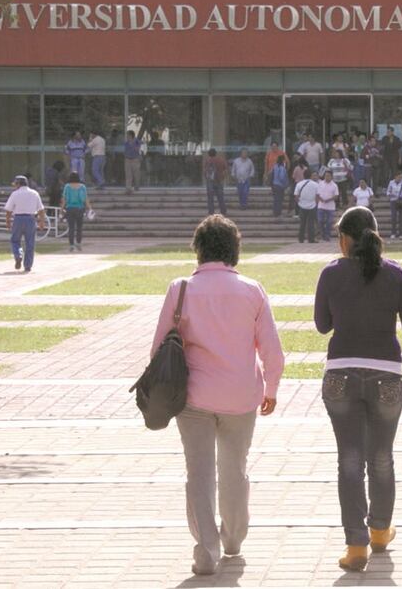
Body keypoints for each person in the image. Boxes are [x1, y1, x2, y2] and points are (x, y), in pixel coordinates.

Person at [152, 215, 284, 575]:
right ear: (234, 249)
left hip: (193, 396)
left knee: (198, 473)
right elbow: (272, 349)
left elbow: (158, 348)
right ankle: (234, 537)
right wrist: (270, 388)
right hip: (242, 395)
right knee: (234, 469)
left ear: (198, 249)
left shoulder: (180, 289)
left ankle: (206, 547)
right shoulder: (252, 290)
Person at [314, 206, 402, 572]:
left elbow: (323, 325)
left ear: (343, 239)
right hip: (387, 375)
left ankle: (356, 547)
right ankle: (380, 532)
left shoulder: (331, 274)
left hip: (340, 375)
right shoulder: (397, 275)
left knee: (349, 460)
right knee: (381, 458)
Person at [4, 175, 46, 273]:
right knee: (30, 243)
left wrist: (8, 221)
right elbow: (41, 210)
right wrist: (41, 222)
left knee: (15, 241)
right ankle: (27, 265)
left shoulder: (15, 194)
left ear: (18, 184)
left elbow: (8, 210)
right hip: (31, 219)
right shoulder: (34, 193)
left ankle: (18, 255)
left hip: (18, 218)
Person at [60, 172, 92, 252]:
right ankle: (78, 243)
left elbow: (64, 199)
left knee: (71, 228)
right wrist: (90, 208)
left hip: (70, 208)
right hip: (80, 208)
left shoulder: (67, 186)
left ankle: (71, 245)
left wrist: (61, 209)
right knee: (79, 227)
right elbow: (85, 199)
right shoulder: (82, 187)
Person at [295, 169, 320, 243]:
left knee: (302, 223)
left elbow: (296, 196)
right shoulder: (315, 184)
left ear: (303, 175)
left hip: (302, 205)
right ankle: (311, 239)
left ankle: (301, 238)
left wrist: (299, 202)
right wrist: (316, 204)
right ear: (311, 175)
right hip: (312, 205)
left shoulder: (299, 184)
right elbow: (317, 196)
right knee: (311, 223)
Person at [317, 167, 340, 242]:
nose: (327, 177)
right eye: (326, 175)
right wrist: (321, 199)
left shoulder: (334, 185)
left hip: (330, 207)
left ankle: (327, 235)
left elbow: (336, 196)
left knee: (329, 222)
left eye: (328, 176)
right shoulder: (320, 183)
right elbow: (317, 194)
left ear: (331, 177)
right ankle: (323, 234)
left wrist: (328, 200)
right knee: (320, 220)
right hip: (321, 205)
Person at [203, 148, 228, 216]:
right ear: (215, 153)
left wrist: (207, 178)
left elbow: (205, 171)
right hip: (219, 181)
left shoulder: (208, 161)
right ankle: (223, 211)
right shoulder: (221, 160)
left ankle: (211, 212)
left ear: (209, 154)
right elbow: (225, 170)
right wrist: (222, 178)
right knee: (220, 197)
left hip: (210, 181)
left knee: (210, 198)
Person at [386, 170, 402, 240]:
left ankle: (401, 234)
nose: (400, 179)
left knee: (401, 218)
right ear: (395, 177)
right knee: (393, 217)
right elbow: (388, 191)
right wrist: (390, 195)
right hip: (393, 201)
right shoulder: (391, 182)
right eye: (399, 177)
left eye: (401, 177)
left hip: (401, 201)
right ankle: (393, 233)